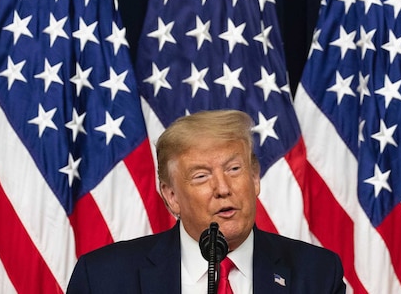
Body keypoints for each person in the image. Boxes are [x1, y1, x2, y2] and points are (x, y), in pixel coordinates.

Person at [67, 109, 345, 293]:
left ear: (255, 177)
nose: (223, 188)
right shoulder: (104, 279)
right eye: (201, 176)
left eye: (234, 169)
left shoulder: (317, 274)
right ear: (172, 196)